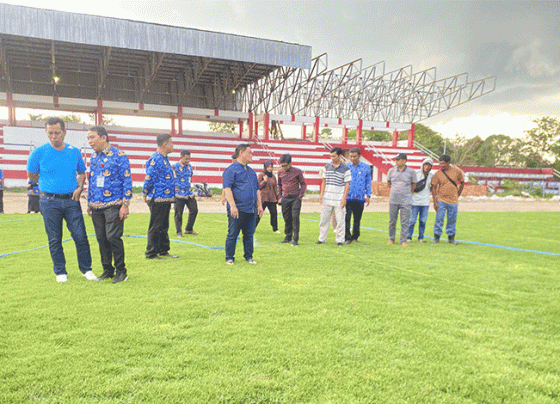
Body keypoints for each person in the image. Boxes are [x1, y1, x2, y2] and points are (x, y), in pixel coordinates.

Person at [26, 117, 96, 282]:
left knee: (80, 235)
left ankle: (86, 270)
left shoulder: (74, 151)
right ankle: (60, 272)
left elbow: (81, 172)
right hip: (49, 201)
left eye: (57, 133)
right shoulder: (38, 152)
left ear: (65, 132)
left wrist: (79, 187)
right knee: (54, 238)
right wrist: (48, 186)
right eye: (50, 133)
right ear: (46, 132)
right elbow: (32, 175)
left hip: (71, 200)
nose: (54, 136)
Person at [86, 126, 133, 283]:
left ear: (104, 137)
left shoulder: (119, 155)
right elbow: (92, 181)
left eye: (92, 137)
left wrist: (125, 204)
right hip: (96, 205)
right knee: (101, 238)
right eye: (88, 138)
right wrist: (89, 202)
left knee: (113, 236)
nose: (90, 141)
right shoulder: (93, 157)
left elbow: (127, 180)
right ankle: (108, 269)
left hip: (114, 203)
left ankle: (121, 271)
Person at [222, 143, 263, 265]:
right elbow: (227, 189)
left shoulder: (251, 172)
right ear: (241, 153)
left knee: (249, 234)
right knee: (233, 234)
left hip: (251, 209)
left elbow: (257, 189)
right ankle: (229, 257)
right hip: (237, 209)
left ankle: (249, 256)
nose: (251, 155)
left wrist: (259, 205)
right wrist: (233, 206)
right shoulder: (230, 170)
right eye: (249, 152)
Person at [142, 133, 178, 259]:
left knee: (164, 225)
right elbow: (149, 177)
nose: (173, 145)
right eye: (171, 142)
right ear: (165, 144)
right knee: (156, 225)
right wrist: (144, 192)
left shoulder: (164, 159)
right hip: (157, 197)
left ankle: (163, 249)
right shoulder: (156, 159)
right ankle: (151, 252)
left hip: (166, 197)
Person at [316, 147, 351, 246]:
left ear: (340, 156)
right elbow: (324, 181)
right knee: (324, 219)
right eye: (331, 156)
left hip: (339, 199)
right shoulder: (326, 167)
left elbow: (347, 184)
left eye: (334, 156)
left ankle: (340, 240)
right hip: (327, 198)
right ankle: (322, 239)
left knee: (340, 220)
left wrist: (344, 198)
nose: (332, 158)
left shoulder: (346, 169)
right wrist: (322, 195)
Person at [431, 154, 465, 244]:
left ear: (448, 163)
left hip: (453, 201)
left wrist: (458, 194)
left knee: (452, 219)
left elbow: (462, 182)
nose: (441, 165)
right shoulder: (437, 173)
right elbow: (433, 187)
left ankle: (451, 238)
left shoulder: (457, 171)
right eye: (440, 163)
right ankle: (436, 238)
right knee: (439, 218)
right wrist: (435, 202)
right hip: (441, 200)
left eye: (443, 163)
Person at [386, 153, 417, 247]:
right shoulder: (391, 171)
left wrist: (407, 193)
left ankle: (403, 240)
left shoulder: (411, 172)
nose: (396, 161)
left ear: (404, 161)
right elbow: (389, 183)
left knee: (405, 221)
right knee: (392, 220)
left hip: (406, 201)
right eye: (396, 160)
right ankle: (391, 238)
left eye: (399, 160)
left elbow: (413, 185)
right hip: (393, 200)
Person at [277, 153, 306, 246]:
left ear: (290, 163)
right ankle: (288, 237)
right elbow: (279, 185)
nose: (283, 167)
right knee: (286, 218)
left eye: (285, 166)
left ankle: (295, 239)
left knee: (295, 217)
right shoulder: (280, 172)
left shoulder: (297, 171)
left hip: (295, 199)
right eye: (281, 166)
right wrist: (279, 197)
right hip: (285, 198)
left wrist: (300, 196)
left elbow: (303, 184)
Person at [344, 147, 371, 244]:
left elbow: (368, 182)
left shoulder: (366, 167)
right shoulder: (346, 167)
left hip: (359, 198)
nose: (352, 158)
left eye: (355, 156)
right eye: (351, 156)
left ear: (359, 156)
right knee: (346, 218)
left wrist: (368, 195)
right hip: (347, 197)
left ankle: (355, 237)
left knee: (357, 219)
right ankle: (347, 237)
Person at [406, 158, 434, 243]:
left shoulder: (431, 176)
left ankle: (421, 237)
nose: (427, 167)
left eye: (429, 165)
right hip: (415, 201)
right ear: (422, 165)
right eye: (425, 165)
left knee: (423, 221)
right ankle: (408, 237)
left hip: (425, 202)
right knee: (412, 220)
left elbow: (432, 187)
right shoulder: (416, 174)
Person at [173, 149, 198, 237]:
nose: (188, 161)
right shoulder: (174, 166)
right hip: (179, 193)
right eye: (186, 159)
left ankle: (188, 229)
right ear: (181, 157)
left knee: (194, 210)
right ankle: (178, 232)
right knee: (178, 213)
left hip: (188, 192)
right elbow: (171, 178)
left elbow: (190, 178)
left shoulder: (189, 166)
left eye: (189, 159)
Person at [256, 160, 280, 233]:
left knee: (274, 213)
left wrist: (278, 197)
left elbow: (275, 187)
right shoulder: (261, 175)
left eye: (271, 167)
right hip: (263, 198)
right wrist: (264, 181)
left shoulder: (273, 177)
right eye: (268, 167)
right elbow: (257, 187)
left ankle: (275, 229)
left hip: (272, 198)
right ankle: (252, 227)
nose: (270, 168)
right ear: (265, 167)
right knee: (259, 213)